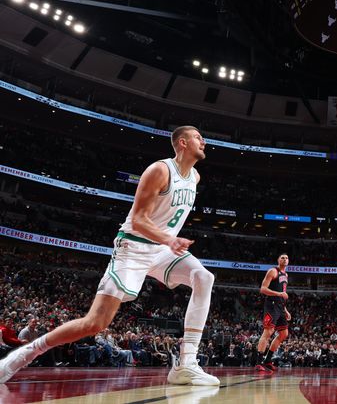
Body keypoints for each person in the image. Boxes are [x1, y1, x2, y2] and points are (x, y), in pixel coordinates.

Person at [0, 126, 218, 385]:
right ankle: (25, 353)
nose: (203, 141)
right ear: (182, 143)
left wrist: (167, 241)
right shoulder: (160, 170)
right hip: (133, 248)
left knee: (203, 277)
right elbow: (137, 220)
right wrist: (170, 239)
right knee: (95, 323)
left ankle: (187, 362)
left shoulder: (194, 177)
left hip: (161, 250)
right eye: (197, 137)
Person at [256, 253, 291, 374]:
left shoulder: (286, 275)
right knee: (268, 331)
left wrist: (285, 310)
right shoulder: (272, 271)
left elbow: (283, 292)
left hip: (280, 306)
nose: (285, 259)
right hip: (271, 304)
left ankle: (268, 360)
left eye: (286, 258)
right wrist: (278, 294)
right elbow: (263, 289)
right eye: (282, 257)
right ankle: (258, 362)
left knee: (283, 334)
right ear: (278, 260)